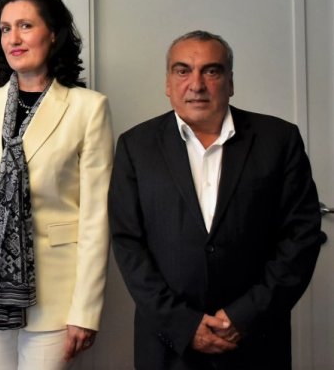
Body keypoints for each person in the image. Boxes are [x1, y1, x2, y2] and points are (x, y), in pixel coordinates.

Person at [108, 30, 322, 370]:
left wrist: (243, 316)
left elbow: (302, 236)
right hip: (168, 345)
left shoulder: (278, 140)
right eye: (183, 71)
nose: (196, 84)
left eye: (211, 71)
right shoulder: (135, 146)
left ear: (230, 82)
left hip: (256, 340)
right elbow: (128, 242)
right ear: (167, 83)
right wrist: (183, 324)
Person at [0, 0, 115, 370]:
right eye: (5, 29)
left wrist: (86, 309)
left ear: (53, 34)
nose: (14, 39)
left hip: (57, 295)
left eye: (25, 26)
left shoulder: (89, 108)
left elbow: (95, 219)